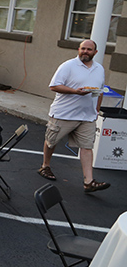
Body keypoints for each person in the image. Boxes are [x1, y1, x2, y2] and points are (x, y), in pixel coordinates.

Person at [38, 39, 109, 193]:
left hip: (87, 116)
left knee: (87, 147)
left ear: (95, 52)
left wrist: (96, 110)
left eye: (89, 49)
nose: (85, 52)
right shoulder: (68, 66)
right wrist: (75, 91)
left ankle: (88, 182)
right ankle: (45, 166)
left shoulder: (99, 69)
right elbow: (54, 86)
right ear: (78, 49)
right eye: (83, 48)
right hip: (64, 113)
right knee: (51, 142)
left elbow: (100, 91)